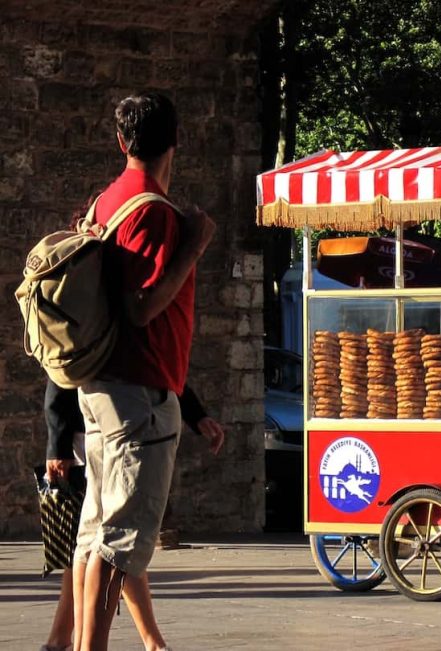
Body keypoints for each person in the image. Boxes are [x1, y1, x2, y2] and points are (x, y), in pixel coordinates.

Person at [72, 91, 216, 651]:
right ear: (176, 142)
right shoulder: (153, 211)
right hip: (139, 396)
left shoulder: (107, 200)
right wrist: (195, 247)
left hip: (102, 387)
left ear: (120, 140)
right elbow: (141, 307)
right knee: (121, 542)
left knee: (96, 537)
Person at [41, 379, 223, 651]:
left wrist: (194, 412)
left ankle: (73, 641)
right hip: (124, 414)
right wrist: (58, 442)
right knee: (120, 538)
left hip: (100, 409)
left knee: (100, 538)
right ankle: (143, 644)